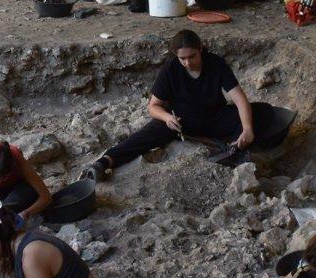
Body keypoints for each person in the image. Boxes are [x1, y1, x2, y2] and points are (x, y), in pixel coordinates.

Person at [81, 29, 254, 180]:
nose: (187, 63)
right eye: (182, 58)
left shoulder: (216, 64)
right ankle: (104, 162)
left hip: (215, 117)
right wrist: (167, 117)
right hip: (182, 122)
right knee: (147, 134)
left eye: (192, 56)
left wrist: (247, 128)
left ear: (200, 49)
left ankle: (232, 149)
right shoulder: (170, 69)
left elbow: (239, 99)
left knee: (261, 112)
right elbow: (153, 106)